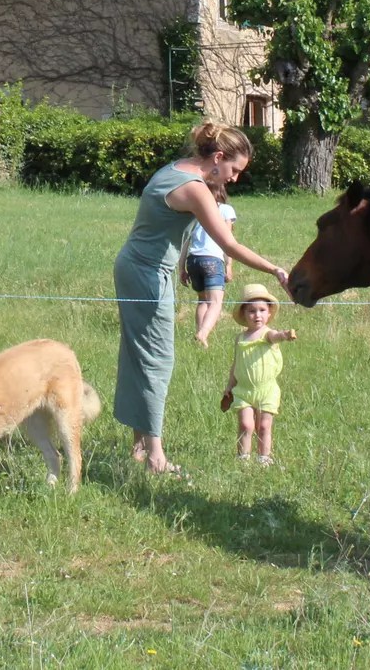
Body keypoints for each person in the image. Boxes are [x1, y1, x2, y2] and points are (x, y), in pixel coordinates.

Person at [114, 122, 287, 475]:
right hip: (146, 275)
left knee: (139, 355)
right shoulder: (195, 189)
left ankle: (139, 446)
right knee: (157, 360)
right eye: (234, 170)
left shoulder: (175, 168)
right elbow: (229, 245)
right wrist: (275, 271)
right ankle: (155, 458)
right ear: (218, 158)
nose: (234, 179)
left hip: (135, 267)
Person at [219, 282, 297, 465]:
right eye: (252, 311)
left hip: (266, 390)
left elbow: (275, 336)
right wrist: (230, 386)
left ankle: (264, 458)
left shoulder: (267, 334)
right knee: (246, 424)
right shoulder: (240, 338)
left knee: (263, 425)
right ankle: (243, 458)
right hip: (243, 390)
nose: (257, 315)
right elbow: (236, 364)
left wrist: (284, 335)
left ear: (269, 313)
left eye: (262, 310)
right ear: (244, 314)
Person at [180, 182, 235, 347]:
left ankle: (200, 335)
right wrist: (229, 265)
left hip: (193, 259)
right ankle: (203, 334)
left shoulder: (194, 213)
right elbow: (227, 239)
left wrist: (181, 267)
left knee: (202, 300)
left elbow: (185, 241)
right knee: (216, 302)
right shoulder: (225, 210)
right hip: (212, 260)